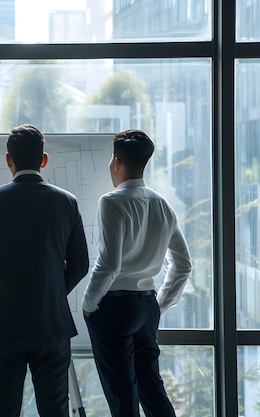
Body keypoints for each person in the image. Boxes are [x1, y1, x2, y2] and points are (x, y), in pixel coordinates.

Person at [0, 124, 90, 417]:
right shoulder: (66, 201)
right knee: (55, 408)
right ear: (43, 159)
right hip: (52, 323)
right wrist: (54, 290)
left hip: (4, 323)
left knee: (4, 409)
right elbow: (80, 264)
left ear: (9, 159)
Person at [81, 129, 193, 417]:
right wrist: (160, 304)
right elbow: (183, 264)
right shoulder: (162, 204)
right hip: (146, 305)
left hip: (114, 308)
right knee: (152, 390)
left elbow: (108, 263)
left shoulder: (111, 201)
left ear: (117, 161)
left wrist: (89, 303)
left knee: (122, 396)